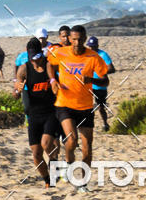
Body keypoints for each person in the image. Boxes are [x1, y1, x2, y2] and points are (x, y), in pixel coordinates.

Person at [46, 24, 108, 172]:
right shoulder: (61, 53)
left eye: (80, 40)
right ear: (70, 39)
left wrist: (91, 80)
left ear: (85, 39)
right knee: (72, 139)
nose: (77, 43)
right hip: (64, 104)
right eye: (74, 39)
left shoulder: (93, 57)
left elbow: (105, 81)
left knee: (87, 148)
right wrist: (53, 81)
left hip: (85, 106)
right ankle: (69, 164)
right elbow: (49, 64)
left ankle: (84, 181)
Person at [14, 37, 60, 187]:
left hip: (50, 112)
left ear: (41, 54)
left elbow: (55, 79)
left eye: (37, 57)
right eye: (31, 58)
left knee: (46, 144)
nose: (35, 61)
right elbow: (14, 94)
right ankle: (48, 180)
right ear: (28, 56)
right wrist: (17, 91)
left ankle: (54, 165)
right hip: (33, 115)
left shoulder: (48, 65)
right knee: (36, 154)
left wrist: (54, 85)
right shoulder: (23, 69)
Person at [86, 35, 115, 132]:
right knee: (86, 106)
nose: (91, 48)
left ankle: (105, 123)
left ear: (97, 45)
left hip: (100, 84)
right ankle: (86, 124)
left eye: (93, 46)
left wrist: (101, 71)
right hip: (88, 84)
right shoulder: (86, 54)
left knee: (101, 106)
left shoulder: (103, 55)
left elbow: (112, 69)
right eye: (89, 46)